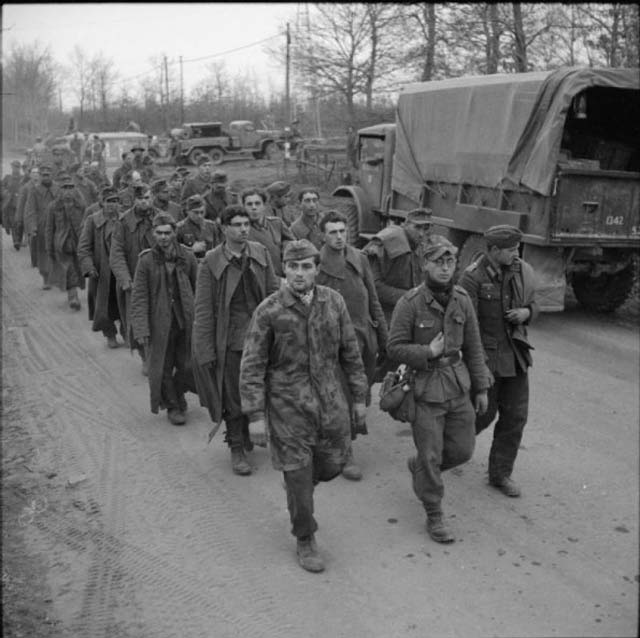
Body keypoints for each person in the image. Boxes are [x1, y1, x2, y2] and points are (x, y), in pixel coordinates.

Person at [239, 239, 368, 573]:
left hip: (330, 403)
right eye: (293, 267)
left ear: (316, 269)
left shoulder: (333, 302)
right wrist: (255, 416)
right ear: (284, 269)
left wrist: (359, 399)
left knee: (333, 464)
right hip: (287, 407)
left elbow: (351, 354)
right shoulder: (269, 310)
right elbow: (252, 365)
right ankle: (305, 537)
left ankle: (302, 484)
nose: (299, 273)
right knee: (298, 475)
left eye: (306, 266)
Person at [387, 236, 491, 544]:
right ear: (425, 265)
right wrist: (427, 352)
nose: (445, 269)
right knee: (431, 455)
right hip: (426, 388)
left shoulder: (462, 299)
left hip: (458, 385)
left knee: (462, 450)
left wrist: (481, 387)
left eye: (450, 262)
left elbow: (473, 345)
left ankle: (419, 468)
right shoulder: (410, 303)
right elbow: (393, 348)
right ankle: (434, 512)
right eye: (438, 262)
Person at [192, 204, 279, 475]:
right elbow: (204, 309)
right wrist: (204, 351)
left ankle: (261, 433)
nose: (243, 229)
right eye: (237, 225)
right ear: (224, 227)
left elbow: (274, 292)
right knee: (233, 397)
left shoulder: (260, 253)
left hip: (261, 335)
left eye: (246, 224)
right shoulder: (211, 261)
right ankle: (237, 447)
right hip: (229, 340)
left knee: (267, 389)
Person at [457, 225, 539, 498]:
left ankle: (500, 473)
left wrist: (527, 312)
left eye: (517, 249)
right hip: (487, 360)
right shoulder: (472, 279)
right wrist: (476, 370)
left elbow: (535, 303)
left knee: (516, 416)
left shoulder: (519, 271)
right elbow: (468, 329)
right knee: (482, 415)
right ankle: (444, 448)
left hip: (515, 357)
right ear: (493, 251)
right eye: (511, 250)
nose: (516, 254)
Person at [315, 210, 388, 481]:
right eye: (333, 232)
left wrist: (383, 335)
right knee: (342, 397)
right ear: (323, 235)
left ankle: (339, 438)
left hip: (365, 336)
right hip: (334, 343)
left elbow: (373, 297)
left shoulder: (359, 257)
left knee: (362, 392)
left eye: (342, 231)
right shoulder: (316, 264)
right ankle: (345, 454)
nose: (339, 237)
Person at [131, 212, 199, 426]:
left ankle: (178, 393)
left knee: (188, 365)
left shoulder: (187, 257)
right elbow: (139, 296)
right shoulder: (146, 261)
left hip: (185, 321)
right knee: (162, 367)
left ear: (174, 232)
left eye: (167, 233)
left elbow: (199, 289)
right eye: (159, 233)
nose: (163, 237)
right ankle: (173, 406)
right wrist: (141, 329)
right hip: (159, 324)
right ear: (153, 233)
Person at [109, 184, 159, 374]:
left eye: (147, 198)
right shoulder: (123, 223)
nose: (144, 202)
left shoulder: (162, 219)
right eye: (140, 199)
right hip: (134, 280)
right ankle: (145, 356)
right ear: (134, 200)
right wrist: (125, 279)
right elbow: (117, 253)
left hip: (160, 277)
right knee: (137, 320)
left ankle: (162, 355)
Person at [362, 208, 434, 327]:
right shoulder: (391, 241)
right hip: (379, 314)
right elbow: (373, 286)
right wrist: (411, 297)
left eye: (425, 229)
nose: (421, 233)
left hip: (403, 310)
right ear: (405, 225)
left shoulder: (418, 245)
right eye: (417, 227)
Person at [77, 186, 124, 349]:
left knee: (125, 302)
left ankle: (127, 331)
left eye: (116, 201)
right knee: (104, 305)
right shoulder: (92, 220)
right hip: (101, 272)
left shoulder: (124, 219)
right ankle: (110, 334)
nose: (114, 205)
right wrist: (89, 267)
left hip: (122, 269)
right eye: (109, 201)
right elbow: (83, 247)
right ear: (102, 203)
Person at [44, 174, 85, 310]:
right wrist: (49, 248)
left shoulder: (80, 206)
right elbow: (49, 228)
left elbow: (86, 226)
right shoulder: (53, 207)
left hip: (78, 243)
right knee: (69, 270)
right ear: (60, 190)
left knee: (77, 269)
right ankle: (73, 297)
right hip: (62, 244)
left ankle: (72, 294)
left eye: (71, 187)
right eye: (64, 188)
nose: (68, 191)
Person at [242, 187, 294, 278]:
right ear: (244, 207)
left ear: (264, 206)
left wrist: (285, 251)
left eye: (257, 203)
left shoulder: (276, 223)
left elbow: (292, 243)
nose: (254, 207)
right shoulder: (241, 229)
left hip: (280, 277)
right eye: (249, 204)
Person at [24, 164, 59, 289]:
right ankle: (46, 278)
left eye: (48, 174)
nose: (46, 177)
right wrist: (32, 226)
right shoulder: (34, 191)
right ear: (40, 176)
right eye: (43, 175)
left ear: (52, 175)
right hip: (42, 227)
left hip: (57, 226)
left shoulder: (59, 189)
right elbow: (30, 210)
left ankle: (57, 275)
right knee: (43, 253)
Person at [176, 194, 222, 259]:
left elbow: (218, 249)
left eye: (202, 212)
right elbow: (174, 252)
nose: (199, 216)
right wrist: (191, 250)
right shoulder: (179, 228)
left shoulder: (211, 226)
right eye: (196, 212)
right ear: (187, 211)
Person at [14, 165, 39, 251]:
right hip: (29, 214)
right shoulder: (26, 187)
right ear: (30, 175)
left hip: (41, 214)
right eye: (33, 173)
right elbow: (21, 203)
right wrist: (19, 218)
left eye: (37, 173)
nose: (36, 174)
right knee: (32, 236)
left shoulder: (42, 186)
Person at [2, 160, 24, 249]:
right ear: (11, 167)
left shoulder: (23, 178)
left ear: (20, 168)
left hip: (21, 204)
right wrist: (6, 192)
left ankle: (19, 239)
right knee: (13, 222)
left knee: (20, 222)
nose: (16, 169)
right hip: (10, 203)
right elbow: (1, 187)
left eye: (17, 167)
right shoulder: (7, 178)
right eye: (14, 167)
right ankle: (16, 240)